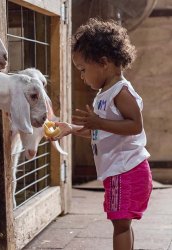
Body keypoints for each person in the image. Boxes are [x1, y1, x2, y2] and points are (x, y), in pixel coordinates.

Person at [52, 18, 152, 250]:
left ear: (103, 62)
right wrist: (71, 128)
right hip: (119, 170)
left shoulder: (121, 91)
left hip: (127, 169)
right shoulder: (103, 94)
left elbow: (135, 126)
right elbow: (99, 131)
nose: (82, 77)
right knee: (122, 224)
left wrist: (98, 122)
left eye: (83, 69)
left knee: (120, 225)